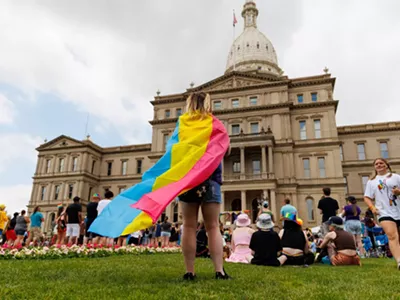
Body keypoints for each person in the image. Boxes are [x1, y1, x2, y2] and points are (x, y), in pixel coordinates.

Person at [178, 92, 230, 280]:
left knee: (189, 226)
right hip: (211, 179)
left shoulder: (183, 124)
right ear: (208, 104)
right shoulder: (215, 123)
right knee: (213, 227)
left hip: (188, 180)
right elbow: (226, 148)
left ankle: (189, 272)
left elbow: (175, 150)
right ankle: (219, 271)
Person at [364, 158, 400, 270]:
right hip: (383, 212)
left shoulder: (396, 177)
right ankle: (399, 261)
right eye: (376, 164)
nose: (379, 165)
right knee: (392, 235)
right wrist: (372, 208)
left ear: (386, 165)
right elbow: (367, 197)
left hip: (398, 208)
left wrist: (399, 192)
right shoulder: (372, 182)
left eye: (381, 163)